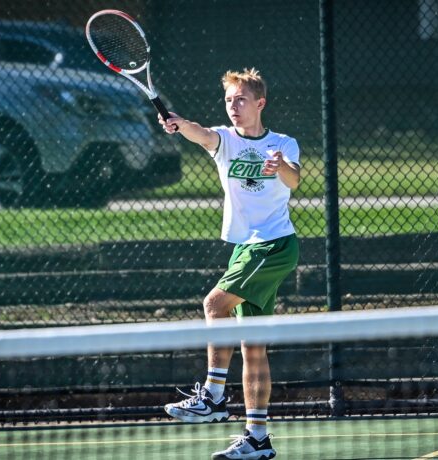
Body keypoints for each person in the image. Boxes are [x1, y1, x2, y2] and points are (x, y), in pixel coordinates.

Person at [159, 67, 300, 460]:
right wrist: (178, 124)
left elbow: (294, 180)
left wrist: (280, 166)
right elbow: (199, 132)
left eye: (240, 99)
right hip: (245, 249)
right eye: (228, 100)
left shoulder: (283, 142)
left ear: (260, 103)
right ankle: (258, 438)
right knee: (253, 347)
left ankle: (214, 396)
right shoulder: (224, 141)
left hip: (272, 246)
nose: (233, 106)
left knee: (213, 304)